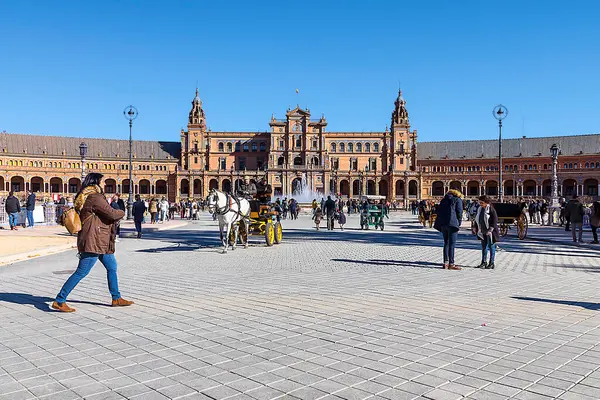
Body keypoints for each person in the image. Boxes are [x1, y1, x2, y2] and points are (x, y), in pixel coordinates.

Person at [52, 173, 133, 313]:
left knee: (112, 266)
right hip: (93, 239)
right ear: (96, 182)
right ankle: (60, 300)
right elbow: (112, 214)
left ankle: (116, 297)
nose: (104, 184)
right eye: (103, 181)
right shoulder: (95, 197)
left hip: (100, 239)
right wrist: (121, 211)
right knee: (82, 271)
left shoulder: (86, 196)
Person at [433, 189, 463, 270]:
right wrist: (459, 222)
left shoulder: (443, 200)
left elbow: (439, 211)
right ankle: (451, 264)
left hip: (443, 224)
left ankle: (445, 263)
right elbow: (459, 212)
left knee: (446, 243)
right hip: (453, 224)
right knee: (452, 244)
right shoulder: (457, 199)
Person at [474, 196, 500, 269]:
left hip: (490, 232)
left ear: (486, 202)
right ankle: (483, 262)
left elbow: (495, 220)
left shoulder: (491, 209)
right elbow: (477, 219)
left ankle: (491, 263)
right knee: (484, 247)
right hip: (482, 230)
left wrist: (491, 229)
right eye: (480, 202)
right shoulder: (480, 209)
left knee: (491, 247)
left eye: (481, 202)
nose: (480, 204)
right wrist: (475, 227)